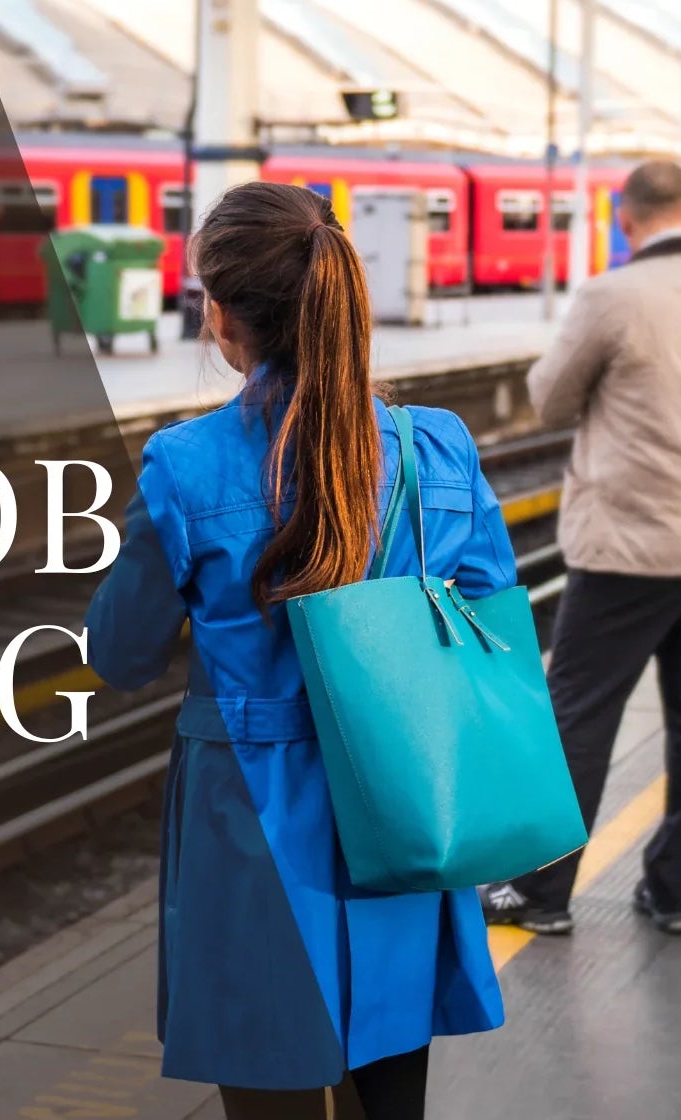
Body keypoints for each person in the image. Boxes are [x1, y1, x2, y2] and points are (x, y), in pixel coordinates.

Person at [84, 182, 509, 1120]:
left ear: (225, 315)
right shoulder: (437, 446)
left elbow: (119, 653)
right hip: (405, 793)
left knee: (269, 1082)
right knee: (392, 1084)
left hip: (253, 816)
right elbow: (490, 611)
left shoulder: (186, 464)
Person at [480, 160, 681, 937]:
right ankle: (672, 894)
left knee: (579, 714)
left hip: (626, 547)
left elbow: (550, 398)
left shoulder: (615, 295)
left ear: (624, 216)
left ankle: (540, 893)